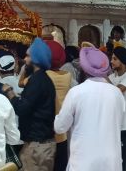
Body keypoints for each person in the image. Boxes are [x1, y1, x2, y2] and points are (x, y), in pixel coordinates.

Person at [54, 46, 125, 171]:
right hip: (111, 162)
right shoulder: (116, 93)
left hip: (83, 162)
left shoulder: (76, 92)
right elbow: (119, 123)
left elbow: (60, 127)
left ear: (83, 68)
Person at [2, 38, 57, 171]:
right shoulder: (43, 79)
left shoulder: (37, 81)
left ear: (36, 59)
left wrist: (10, 93)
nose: (25, 59)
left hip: (36, 147)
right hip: (41, 145)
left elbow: (22, 109)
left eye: (28, 56)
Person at [44, 40, 76, 171]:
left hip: (44, 130)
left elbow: (21, 83)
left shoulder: (41, 76)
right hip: (62, 128)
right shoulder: (67, 75)